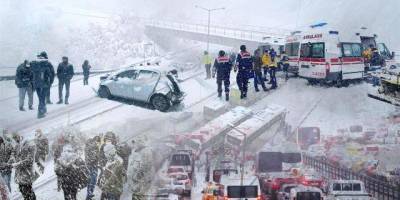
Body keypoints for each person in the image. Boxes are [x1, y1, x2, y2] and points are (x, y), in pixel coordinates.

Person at [13, 134, 37, 200]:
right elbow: (16, 157)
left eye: (16, 137)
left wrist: (18, 164)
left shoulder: (30, 145)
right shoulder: (17, 146)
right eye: (14, 138)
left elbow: (30, 160)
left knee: (28, 192)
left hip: (26, 173)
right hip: (20, 174)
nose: (15, 139)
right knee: (23, 191)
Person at [31, 51, 54, 118]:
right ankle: (40, 112)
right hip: (45, 84)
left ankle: (43, 109)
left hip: (37, 84)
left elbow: (32, 73)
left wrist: (33, 83)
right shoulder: (47, 64)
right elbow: (51, 74)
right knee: (42, 98)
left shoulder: (35, 64)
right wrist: (50, 83)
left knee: (41, 98)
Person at [84, 136, 101, 200]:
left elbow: (87, 156)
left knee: (90, 180)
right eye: (98, 142)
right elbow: (96, 156)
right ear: (96, 140)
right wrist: (96, 160)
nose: (98, 143)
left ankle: (89, 194)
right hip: (93, 165)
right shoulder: (94, 146)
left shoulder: (87, 145)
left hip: (88, 165)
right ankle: (89, 194)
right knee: (93, 180)